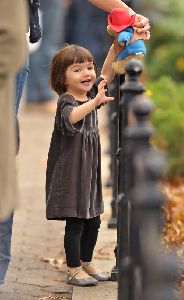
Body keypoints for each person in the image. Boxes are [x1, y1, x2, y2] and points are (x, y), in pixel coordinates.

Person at [45, 42, 120, 287]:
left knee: (94, 218)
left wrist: (115, 48)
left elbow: (107, 73)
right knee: (76, 221)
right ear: (62, 77)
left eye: (89, 67)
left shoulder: (90, 97)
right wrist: (95, 101)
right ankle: (74, 268)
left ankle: (87, 261)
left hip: (89, 172)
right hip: (71, 172)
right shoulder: (66, 101)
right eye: (77, 70)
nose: (87, 73)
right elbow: (71, 118)